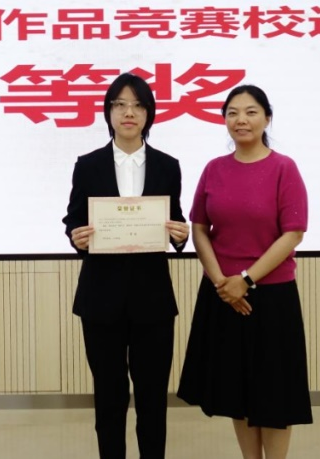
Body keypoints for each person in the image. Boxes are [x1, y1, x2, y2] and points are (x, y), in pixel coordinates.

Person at [177, 84, 312, 459]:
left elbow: (293, 233)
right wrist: (222, 282)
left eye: (251, 112)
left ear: (267, 118)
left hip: (271, 297)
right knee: (237, 393)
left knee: (274, 394)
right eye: (232, 112)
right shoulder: (214, 169)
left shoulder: (284, 167)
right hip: (222, 294)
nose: (241, 120)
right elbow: (199, 228)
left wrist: (246, 279)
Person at [63, 72, 190, 459]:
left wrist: (180, 235)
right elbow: (73, 219)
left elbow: (175, 221)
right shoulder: (88, 165)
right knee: (109, 396)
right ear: (108, 112)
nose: (128, 112)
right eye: (119, 104)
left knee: (153, 398)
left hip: (153, 300)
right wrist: (76, 237)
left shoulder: (168, 166)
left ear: (149, 113)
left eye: (137, 105)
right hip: (100, 299)